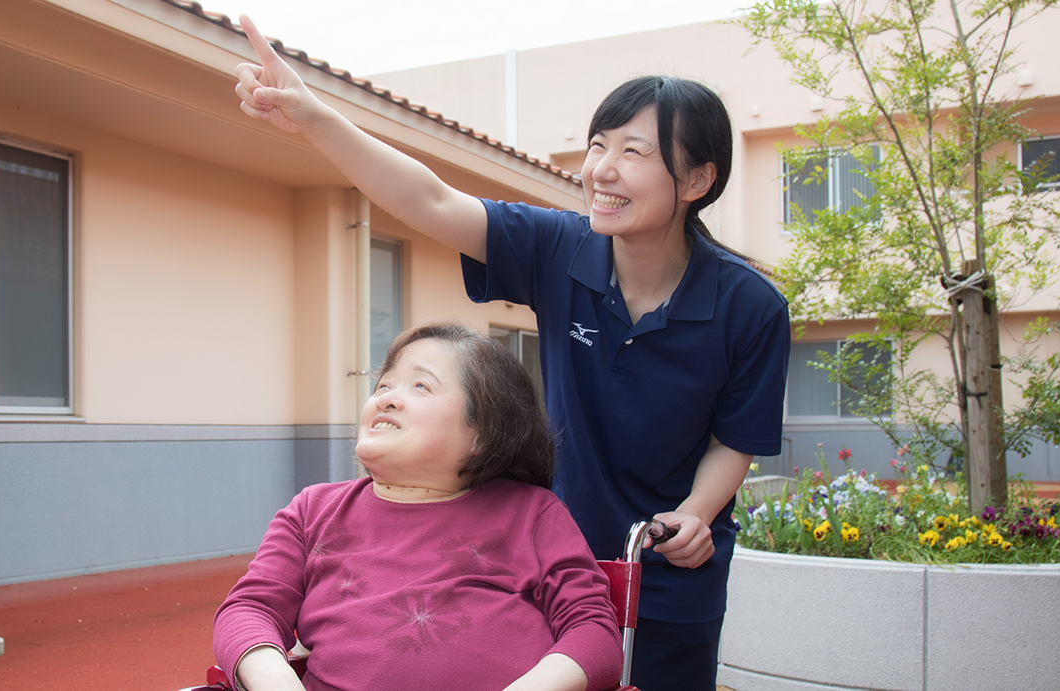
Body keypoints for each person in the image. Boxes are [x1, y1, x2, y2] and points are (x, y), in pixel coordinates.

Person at [233, 15, 790, 690]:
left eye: (633, 153)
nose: (600, 171)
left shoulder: (750, 306)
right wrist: (313, 117)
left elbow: (735, 437)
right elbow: (430, 198)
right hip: (539, 556)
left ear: (696, 179)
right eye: (596, 145)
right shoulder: (558, 247)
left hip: (666, 569)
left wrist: (696, 514)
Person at [214, 323, 624, 691]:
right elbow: (250, 609)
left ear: (482, 434)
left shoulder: (531, 513)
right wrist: (275, 678)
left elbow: (594, 633)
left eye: (420, 386)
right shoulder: (313, 511)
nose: (387, 399)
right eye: (383, 386)